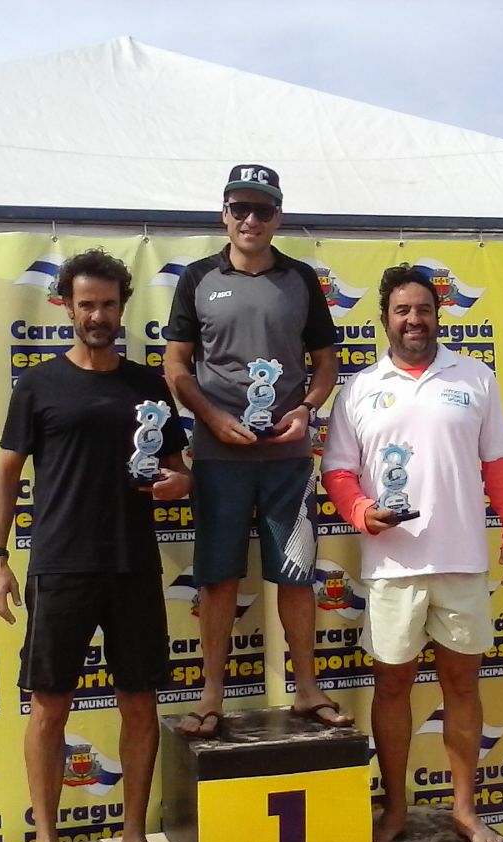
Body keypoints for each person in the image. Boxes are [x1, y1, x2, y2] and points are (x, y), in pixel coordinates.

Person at [0, 249, 192, 842]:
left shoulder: (147, 386)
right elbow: (4, 474)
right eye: (86, 304)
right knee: (50, 707)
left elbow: (181, 469)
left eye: (107, 304)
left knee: (140, 703)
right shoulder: (38, 385)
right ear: (66, 308)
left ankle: (134, 835)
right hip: (60, 564)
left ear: (122, 307)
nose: (97, 315)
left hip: (132, 564)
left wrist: (175, 484)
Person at [321, 264, 503, 842]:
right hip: (391, 567)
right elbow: (337, 470)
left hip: (462, 561)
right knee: (392, 689)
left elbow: (499, 466)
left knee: (462, 688)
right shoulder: (360, 387)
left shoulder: (475, 377)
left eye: (423, 309)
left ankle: (465, 810)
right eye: (401, 311)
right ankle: (395, 809)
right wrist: (362, 512)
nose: (414, 320)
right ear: (385, 318)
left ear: (439, 314)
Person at [163, 163, 349, 737]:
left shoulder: (300, 279)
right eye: (239, 208)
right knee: (217, 579)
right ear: (223, 214)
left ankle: (308, 691)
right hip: (219, 458)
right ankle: (210, 696)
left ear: (278, 217)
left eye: (262, 210)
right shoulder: (197, 278)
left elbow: (325, 364)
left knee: (295, 575)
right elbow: (176, 364)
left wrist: (305, 410)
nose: (250, 219)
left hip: (288, 459)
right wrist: (213, 419)